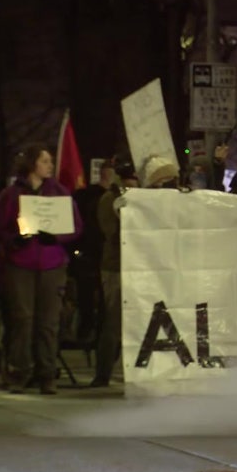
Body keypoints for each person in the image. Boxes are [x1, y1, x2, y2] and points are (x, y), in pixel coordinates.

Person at [0, 143, 83, 394]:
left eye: (51, 162)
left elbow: (76, 226)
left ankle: (46, 374)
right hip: (20, 264)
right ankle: (19, 372)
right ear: (32, 164)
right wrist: (14, 240)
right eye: (45, 161)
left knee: (48, 322)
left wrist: (57, 239)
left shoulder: (59, 193)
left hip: (52, 264)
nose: (50, 166)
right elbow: (0, 227)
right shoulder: (12, 194)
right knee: (22, 319)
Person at [90, 155, 138, 387]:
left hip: (138, 267)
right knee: (113, 322)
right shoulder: (109, 199)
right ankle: (103, 372)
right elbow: (110, 233)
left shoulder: (144, 198)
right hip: (115, 267)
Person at [69, 159, 114, 347]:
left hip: (104, 254)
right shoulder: (87, 196)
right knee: (86, 297)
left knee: (104, 301)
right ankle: (85, 332)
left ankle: (97, 334)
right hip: (90, 254)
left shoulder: (114, 196)